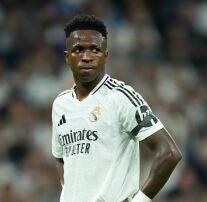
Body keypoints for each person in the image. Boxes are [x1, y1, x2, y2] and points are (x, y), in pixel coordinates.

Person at [51, 14, 182, 202]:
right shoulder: (61, 104)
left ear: (105, 56)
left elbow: (169, 153)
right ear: (67, 57)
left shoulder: (121, 98)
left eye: (94, 50)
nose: (87, 57)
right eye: (78, 49)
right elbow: (60, 158)